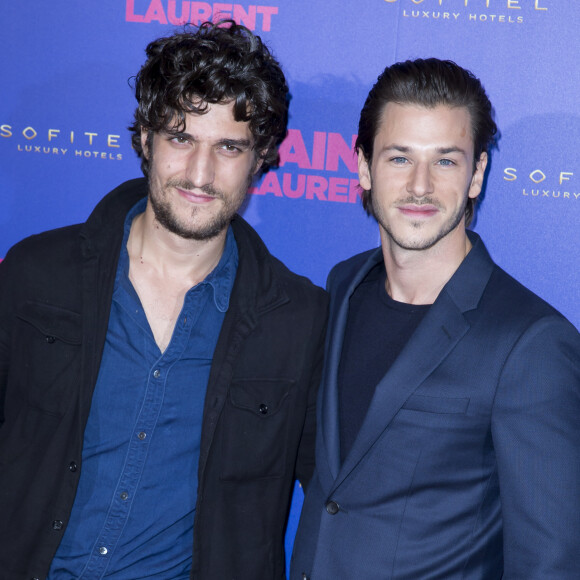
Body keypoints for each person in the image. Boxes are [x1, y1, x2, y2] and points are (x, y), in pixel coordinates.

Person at [0, 21, 327, 580]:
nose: (200, 174)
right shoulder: (35, 274)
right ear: (146, 138)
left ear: (261, 157)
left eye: (229, 146)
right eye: (181, 137)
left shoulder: (299, 321)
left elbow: (340, 495)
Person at [291, 58, 580, 579]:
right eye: (399, 158)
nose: (420, 186)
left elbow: (550, 560)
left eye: (445, 161)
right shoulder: (342, 285)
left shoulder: (531, 342)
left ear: (477, 174)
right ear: (363, 166)